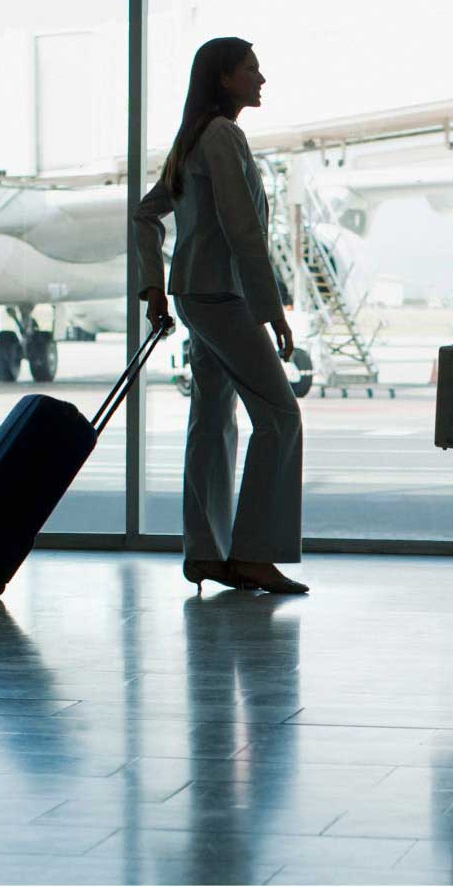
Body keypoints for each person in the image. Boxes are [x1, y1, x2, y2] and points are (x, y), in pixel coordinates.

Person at [134, 37, 307, 595]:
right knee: (280, 417)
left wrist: (155, 288)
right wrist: (270, 307)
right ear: (225, 79)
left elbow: (146, 216)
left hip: (194, 294)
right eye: (251, 70)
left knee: (211, 422)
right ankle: (253, 554)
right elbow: (242, 228)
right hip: (223, 297)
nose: (262, 78)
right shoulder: (223, 135)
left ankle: (206, 552)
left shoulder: (192, 138)